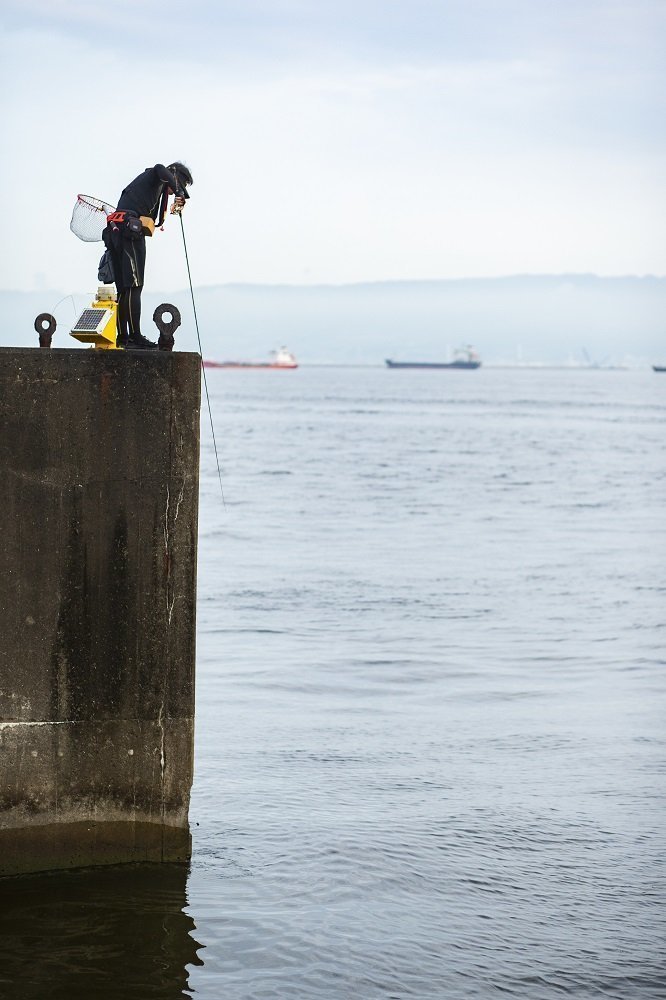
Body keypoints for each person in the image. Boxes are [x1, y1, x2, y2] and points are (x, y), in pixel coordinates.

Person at [102, 162, 193, 350]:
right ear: (174, 175)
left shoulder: (152, 185)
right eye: (180, 183)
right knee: (134, 287)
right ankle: (134, 337)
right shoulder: (157, 174)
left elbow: (157, 220)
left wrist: (175, 198)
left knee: (124, 289)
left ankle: (124, 337)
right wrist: (178, 191)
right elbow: (160, 167)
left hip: (117, 231)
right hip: (129, 231)